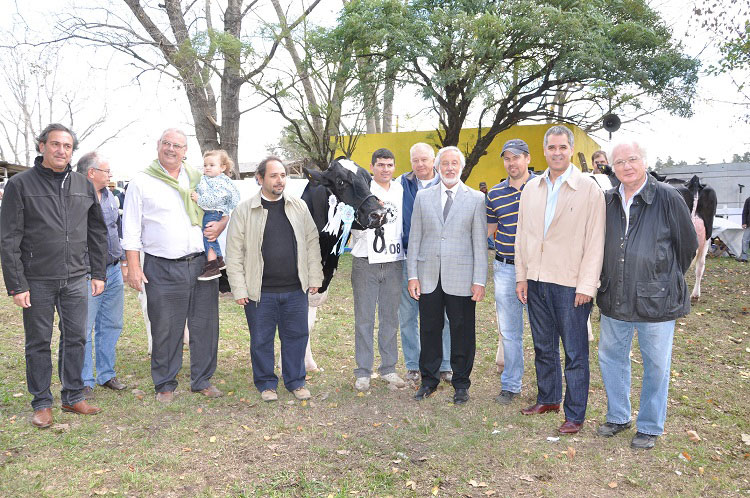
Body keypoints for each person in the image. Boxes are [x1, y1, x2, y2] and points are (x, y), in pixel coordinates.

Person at [0, 123, 107, 428]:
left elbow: (97, 232)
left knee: (76, 338)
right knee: (38, 342)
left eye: (68, 146)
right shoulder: (21, 185)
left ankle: (73, 396)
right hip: (37, 279)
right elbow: (8, 238)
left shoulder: (83, 185)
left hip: (76, 277)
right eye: (56, 144)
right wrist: (17, 284)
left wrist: (98, 272)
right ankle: (42, 402)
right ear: (42, 146)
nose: (62, 150)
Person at [596, 142, 698, 449]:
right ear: (611, 168)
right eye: (619, 162)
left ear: (644, 161)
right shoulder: (608, 200)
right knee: (612, 358)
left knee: (655, 364)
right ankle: (618, 416)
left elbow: (687, 246)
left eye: (632, 159)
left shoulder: (667, 196)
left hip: (657, 300)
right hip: (615, 295)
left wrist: (661, 278)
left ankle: (650, 425)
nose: (626, 166)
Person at [122, 128, 226, 403]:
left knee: (205, 325)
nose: (171, 149)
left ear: (185, 151)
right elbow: (130, 228)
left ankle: (202, 379)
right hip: (162, 266)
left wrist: (221, 225)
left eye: (177, 145)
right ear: (158, 146)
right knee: (165, 327)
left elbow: (224, 204)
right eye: (166, 143)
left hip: (202, 264)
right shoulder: (141, 182)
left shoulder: (199, 178)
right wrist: (133, 266)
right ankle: (165, 384)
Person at [515, 125, 605, 434]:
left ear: (570, 149)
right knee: (543, 346)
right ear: (544, 151)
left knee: (575, 352)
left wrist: (587, 285)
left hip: (570, 285)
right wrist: (522, 276)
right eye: (551, 148)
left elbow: (596, 241)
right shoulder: (532, 187)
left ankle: (575, 414)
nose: (557, 153)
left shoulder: (588, 189)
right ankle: (548, 398)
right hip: (536, 280)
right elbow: (521, 236)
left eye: (562, 148)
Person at [225, 156, 322, 402]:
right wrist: (239, 288)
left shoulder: (298, 207)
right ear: (260, 179)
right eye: (273, 175)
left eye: (282, 175)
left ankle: (296, 381)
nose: (280, 180)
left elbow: (312, 244)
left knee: (297, 336)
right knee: (261, 340)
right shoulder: (244, 210)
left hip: (294, 289)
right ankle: (266, 383)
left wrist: (315, 276)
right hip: (260, 291)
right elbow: (234, 252)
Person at [407, 146, 487, 404]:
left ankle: (461, 384)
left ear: (461, 167)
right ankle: (428, 380)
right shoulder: (423, 197)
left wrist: (479, 280)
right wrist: (412, 276)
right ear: (437, 167)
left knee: (463, 332)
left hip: (462, 278)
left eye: (454, 163)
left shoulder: (475, 198)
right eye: (445, 164)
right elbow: (415, 238)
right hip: (428, 275)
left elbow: (479, 243)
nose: (450, 168)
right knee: (429, 329)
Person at [350, 148, 407, 391]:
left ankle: (389, 368)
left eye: (389, 165)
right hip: (365, 260)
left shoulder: (401, 190)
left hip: (394, 261)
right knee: (364, 318)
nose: (385, 169)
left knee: (389, 318)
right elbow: (348, 222)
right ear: (372, 166)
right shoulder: (361, 190)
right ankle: (363, 371)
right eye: (380, 164)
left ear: (394, 168)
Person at [398, 143, 452, 385]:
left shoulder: (448, 184)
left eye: (424, 160)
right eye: (415, 160)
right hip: (408, 256)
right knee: (408, 313)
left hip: (439, 259)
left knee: (442, 315)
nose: (420, 165)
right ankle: (412, 364)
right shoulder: (401, 185)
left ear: (434, 161)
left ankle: (445, 364)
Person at [486, 139, 535, 405]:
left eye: (516, 157)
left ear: (527, 159)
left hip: (539, 270)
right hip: (505, 268)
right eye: (507, 158)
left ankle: (547, 388)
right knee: (510, 331)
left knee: (543, 331)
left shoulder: (543, 187)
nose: (511, 163)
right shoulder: (495, 194)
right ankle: (511, 385)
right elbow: (488, 230)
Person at [76, 152, 128, 398]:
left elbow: (116, 229)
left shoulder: (110, 196)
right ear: (91, 173)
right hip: (87, 274)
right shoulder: (74, 197)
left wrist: (124, 260)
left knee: (111, 324)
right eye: (107, 171)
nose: (110, 176)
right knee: (84, 328)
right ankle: (85, 379)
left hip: (114, 269)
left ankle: (106, 374)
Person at [190, 149, 240, 280]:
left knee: (208, 236)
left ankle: (212, 267)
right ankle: (219, 260)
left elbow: (214, 198)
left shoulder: (218, 182)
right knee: (212, 236)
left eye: (212, 165)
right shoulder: (212, 179)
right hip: (215, 212)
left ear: (222, 167)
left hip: (213, 212)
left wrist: (198, 198)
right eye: (205, 165)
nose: (207, 168)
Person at [738, 195, 749, 262]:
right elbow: (745, 212)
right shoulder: (748, 200)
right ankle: (744, 257)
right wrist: (744, 223)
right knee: (745, 240)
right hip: (749, 224)